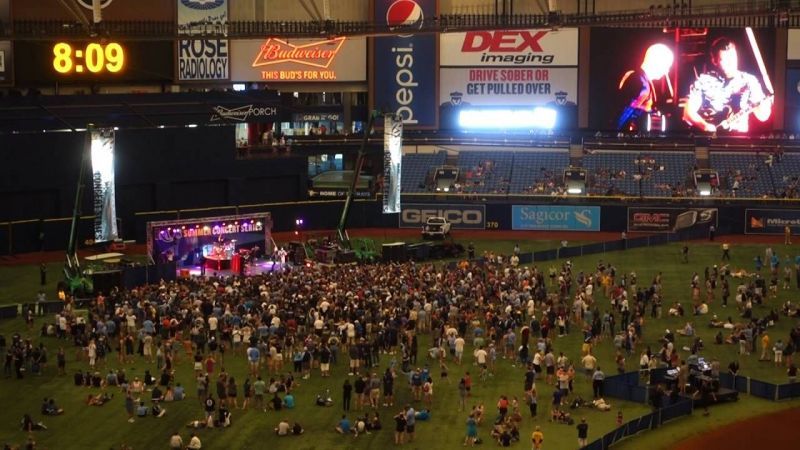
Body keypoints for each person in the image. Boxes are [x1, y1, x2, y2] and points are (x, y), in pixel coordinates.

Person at [683, 36, 772, 133]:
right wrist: (705, 126)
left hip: (737, 141)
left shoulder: (749, 81)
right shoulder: (703, 81)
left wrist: (764, 106)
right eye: (724, 60)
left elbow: (763, 116)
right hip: (708, 139)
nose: (730, 63)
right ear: (714, 61)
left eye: (732, 57)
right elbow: (688, 113)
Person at [616, 43, 674, 131]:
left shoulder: (641, 79)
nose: (667, 71)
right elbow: (625, 113)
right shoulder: (642, 84)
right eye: (667, 65)